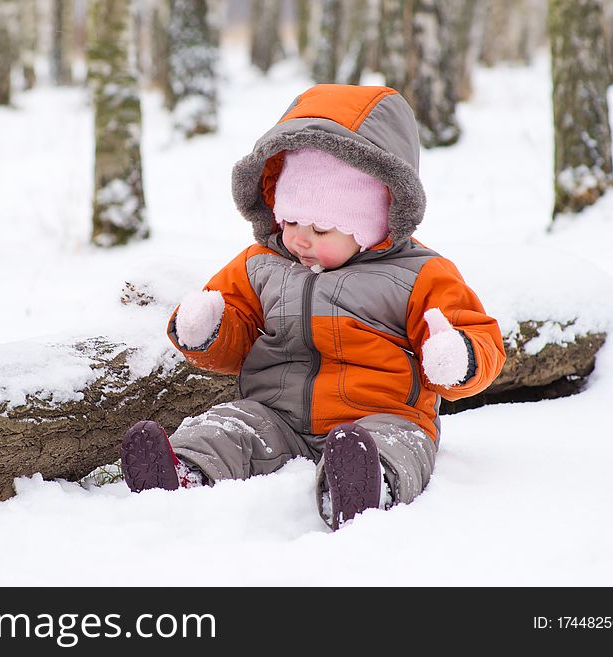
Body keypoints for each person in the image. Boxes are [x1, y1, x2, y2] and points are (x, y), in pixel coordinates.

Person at [119, 84, 506, 530]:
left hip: (383, 417)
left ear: (375, 221)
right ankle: (182, 471)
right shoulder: (261, 264)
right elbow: (236, 338)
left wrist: (458, 357)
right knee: (229, 424)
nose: (300, 239)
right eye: (291, 221)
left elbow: (480, 335)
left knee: (399, 446)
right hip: (277, 417)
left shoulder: (422, 275)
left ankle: (367, 484)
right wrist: (207, 331)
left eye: (321, 228)